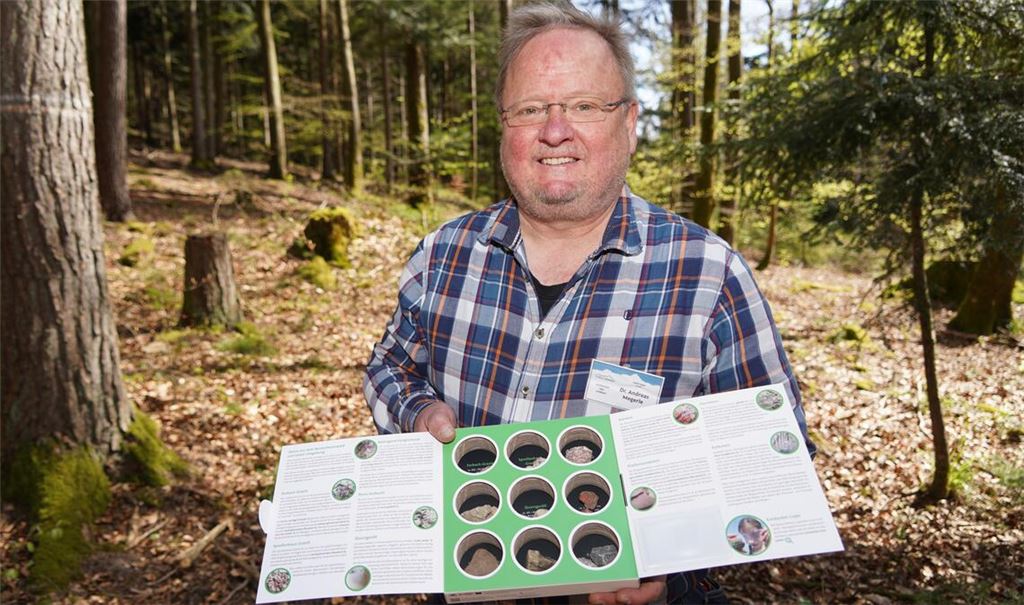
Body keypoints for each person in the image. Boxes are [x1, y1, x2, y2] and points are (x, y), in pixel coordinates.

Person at [364, 2, 813, 603]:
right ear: (504, 126)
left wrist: (674, 543)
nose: (555, 130)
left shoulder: (707, 275)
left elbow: (777, 449)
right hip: (466, 578)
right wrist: (417, 412)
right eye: (530, 109)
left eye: (583, 105)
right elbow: (390, 366)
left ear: (628, 122)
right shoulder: (444, 255)